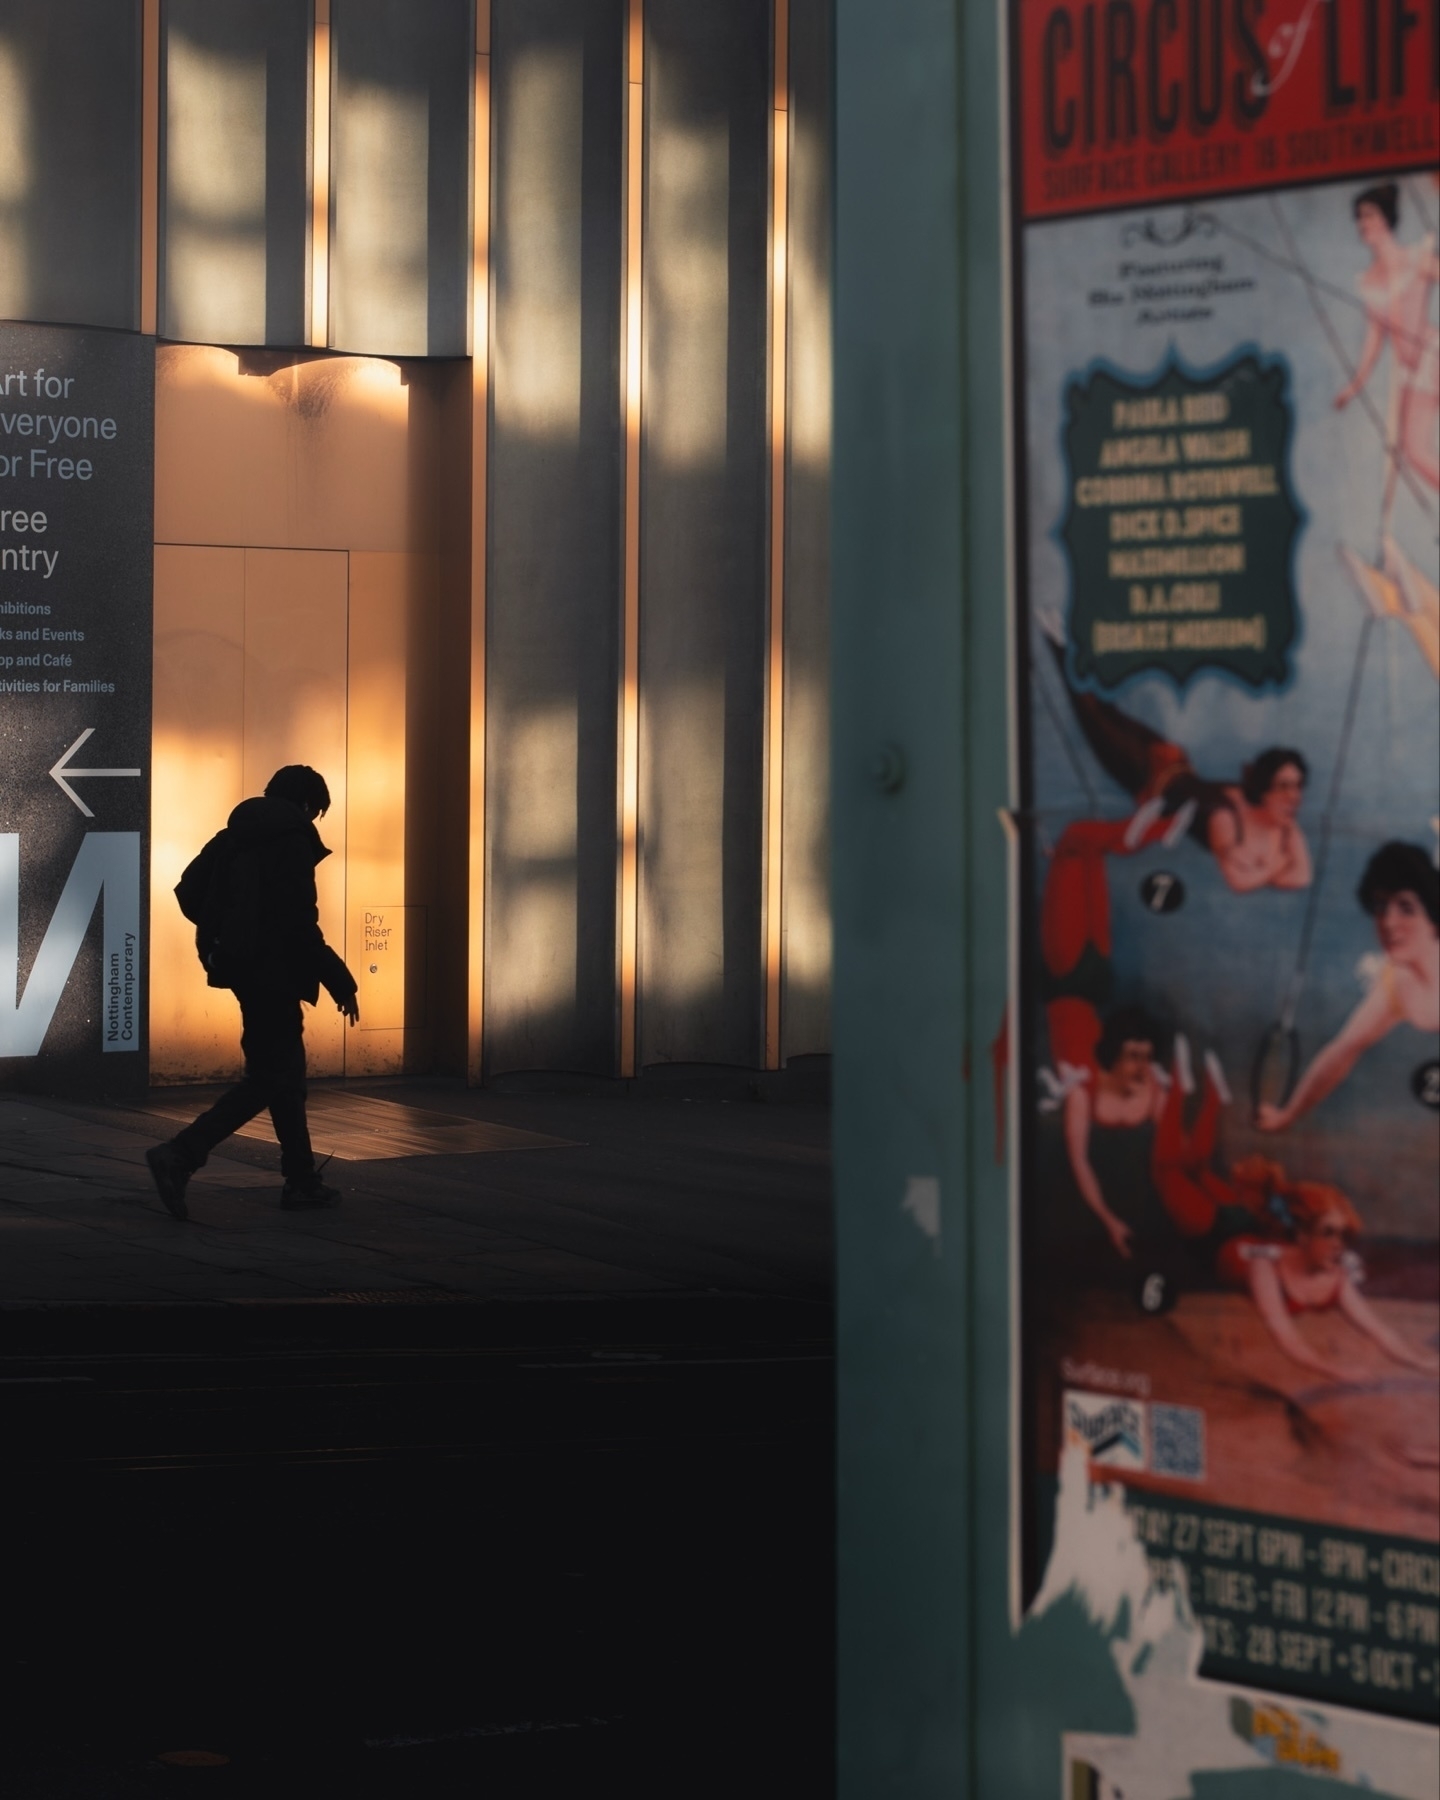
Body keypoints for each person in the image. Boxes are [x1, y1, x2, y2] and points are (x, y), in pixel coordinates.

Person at [144, 765, 360, 1219]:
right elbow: (300, 922)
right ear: (307, 805)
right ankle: (181, 1154)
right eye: (316, 812)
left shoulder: (236, 833)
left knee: (285, 1076)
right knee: (270, 1077)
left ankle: (301, 1180)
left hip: (245, 971)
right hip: (275, 975)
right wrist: (340, 980)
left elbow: (188, 892)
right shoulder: (291, 838)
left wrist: (231, 936)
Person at [1042, 630, 1311, 893]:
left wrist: (1271, 866)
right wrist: (1278, 864)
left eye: (1297, 786)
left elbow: (1301, 878)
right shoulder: (1227, 820)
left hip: (1150, 776)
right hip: (1159, 766)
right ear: (1264, 789)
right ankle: (1060, 638)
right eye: (1284, 786)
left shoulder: (1284, 825)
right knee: (1099, 710)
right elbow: (1241, 880)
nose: (1294, 796)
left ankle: (1057, 639)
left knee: (1095, 713)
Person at [1258, 841, 1440, 1133]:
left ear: (1434, 917)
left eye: (1406, 908)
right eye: (1380, 907)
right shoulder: (1397, 983)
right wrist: (1288, 1115)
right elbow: (1342, 1052)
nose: (1389, 923)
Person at [1215, 1162, 1439, 1385]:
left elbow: (1378, 1329)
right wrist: (1335, 1370)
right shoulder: (1263, 1267)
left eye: (1341, 1235)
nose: (1337, 1244)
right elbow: (1286, 1338)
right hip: (1224, 1248)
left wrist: (1420, 1363)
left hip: (1283, 1250)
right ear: (1304, 1235)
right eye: (1328, 1233)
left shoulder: (1335, 1276)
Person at [1335, 182, 1439, 495]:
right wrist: (1353, 387)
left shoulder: (1416, 258)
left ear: (1385, 217)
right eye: (1358, 217)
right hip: (1409, 373)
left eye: (1368, 215)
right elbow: (1373, 342)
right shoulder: (1368, 282)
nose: (1362, 224)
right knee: (1412, 451)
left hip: (1433, 355)